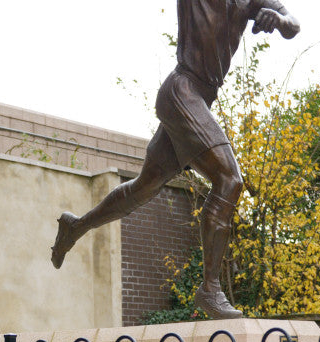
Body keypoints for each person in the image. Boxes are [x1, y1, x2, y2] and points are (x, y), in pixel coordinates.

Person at [50, 0, 300, 319]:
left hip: (198, 98)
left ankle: (76, 226)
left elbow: (293, 25)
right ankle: (210, 289)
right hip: (182, 91)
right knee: (229, 180)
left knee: (144, 187)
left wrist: (278, 19)